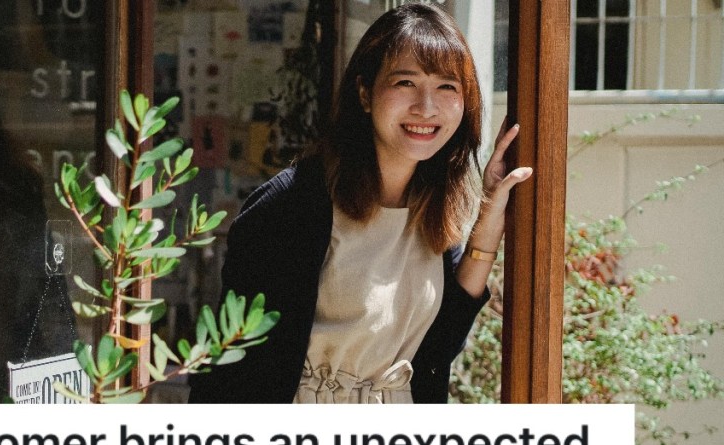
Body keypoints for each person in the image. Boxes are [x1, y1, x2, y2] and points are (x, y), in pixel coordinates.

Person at [188, 4, 532, 404]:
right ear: (365, 92)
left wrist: (489, 212)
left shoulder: (434, 206)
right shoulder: (293, 206)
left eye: (447, 87)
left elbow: (439, 347)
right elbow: (228, 368)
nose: (426, 106)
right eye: (406, 82)